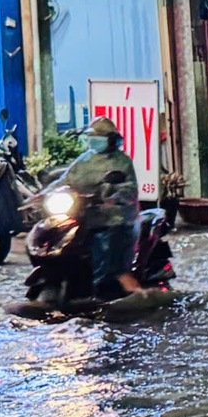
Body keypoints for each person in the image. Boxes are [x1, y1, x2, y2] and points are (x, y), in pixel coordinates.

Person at [64, 117, 142, 295]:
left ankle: (112, 280)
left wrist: (113, 198)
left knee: (108, 243)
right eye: (92, 136)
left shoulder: (122, 161)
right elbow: (66, 179)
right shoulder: (84, 160)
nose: (94, 140)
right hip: (86, 214)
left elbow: (129, 188)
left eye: (99, 137)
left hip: (116, 216)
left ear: (111, 139)